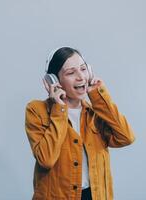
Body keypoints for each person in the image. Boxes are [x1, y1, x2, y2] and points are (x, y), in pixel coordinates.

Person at [25, 47, 135, 200]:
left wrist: (98, 95)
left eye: (83, 69)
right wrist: (59, 109)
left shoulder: (95, 113)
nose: (80, 77)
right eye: (71, 73)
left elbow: (126, 137)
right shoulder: (37, 111)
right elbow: (46, 159)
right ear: (54, 80)